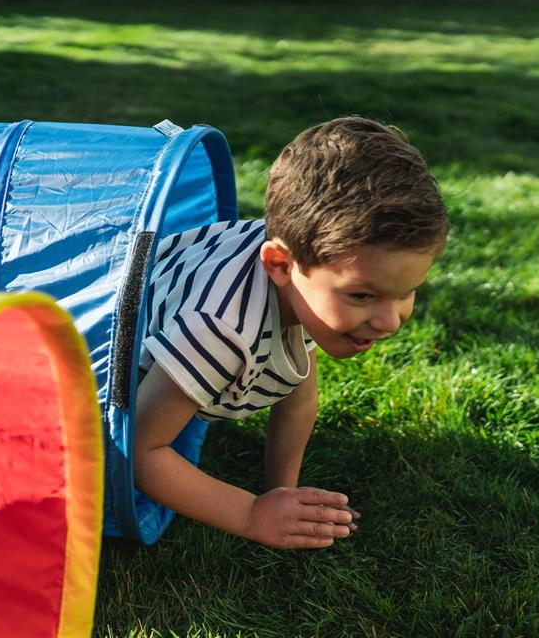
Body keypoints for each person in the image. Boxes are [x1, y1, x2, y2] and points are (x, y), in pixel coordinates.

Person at [133, 116, 449, 549]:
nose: (390, 321)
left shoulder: (303, 288)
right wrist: (252, 515)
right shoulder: (221, 332)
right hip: (93, 360)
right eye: (362, 296)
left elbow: (297, 397)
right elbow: (140, 452)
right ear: (281, 265)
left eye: (406, 292)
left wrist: (285, 495)